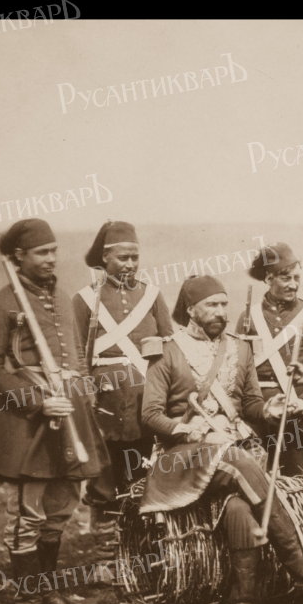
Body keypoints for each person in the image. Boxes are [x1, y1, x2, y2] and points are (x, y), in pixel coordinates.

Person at [140, 273, 303, 604]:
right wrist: (184, 430)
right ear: (190, 310)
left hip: (233, 456)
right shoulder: (167, 351)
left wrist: (271, 409)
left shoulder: (241, 349)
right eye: (211, 305)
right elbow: (150, 414)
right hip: (182, 458)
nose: (221, 312)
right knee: (235, 459)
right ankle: (302, 563)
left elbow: (251, 405)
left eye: (224, 304)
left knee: (240, 509)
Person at [0, 219, 109, 604]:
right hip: (31, 420)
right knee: (27, 514)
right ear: (19, 257)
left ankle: (48, 592)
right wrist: (38, 400)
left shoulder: (61, 297)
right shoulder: (2, 304)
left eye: (54, 250)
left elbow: (76, 356)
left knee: (61, 509)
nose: (51, 259)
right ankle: (26, 600)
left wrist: (81, 394)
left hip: (72, 411)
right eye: (41, 252)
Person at [72, 221, 173, 557]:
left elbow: (170, 348)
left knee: (142, 473)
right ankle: (105, 553)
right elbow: (75, 356)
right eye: (122, 258)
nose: (130, 264)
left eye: (135, 257)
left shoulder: (152, 296)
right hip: (104, 403)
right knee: (103, 477)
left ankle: (138, 548)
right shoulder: (84, 300)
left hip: (147, 400)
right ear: (105, 258)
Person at [235, 243, 303, 478]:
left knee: (299, 484)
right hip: (257, 416)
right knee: (254, 484)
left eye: (297, 278)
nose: (293, 284)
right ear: (269, 278)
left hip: (296, 416)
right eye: (286, 278)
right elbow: (237, 370)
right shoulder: (249, 317)